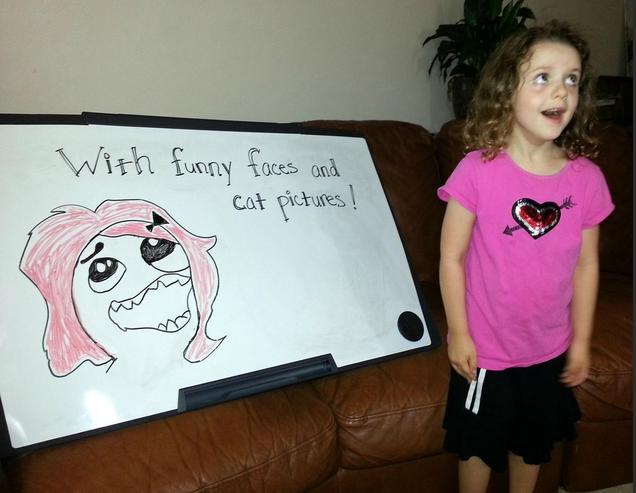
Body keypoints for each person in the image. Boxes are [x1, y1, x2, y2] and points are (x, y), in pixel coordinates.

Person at [437, 20, 614, 493]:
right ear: (505, 90)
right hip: (487, 352)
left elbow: (587, 265)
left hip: (549, 349)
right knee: (478, 447)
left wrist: (581, 341)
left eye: (572, 79)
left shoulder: (587, 179)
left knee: (532, 444)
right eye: (543, 77)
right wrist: (459, 332)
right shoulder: (476, 171)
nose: (561, 90)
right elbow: (452, 258)